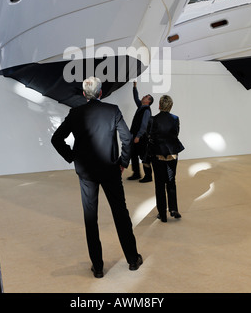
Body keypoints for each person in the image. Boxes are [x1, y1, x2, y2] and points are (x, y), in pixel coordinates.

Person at [51, 76, 142, 278]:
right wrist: (123, 163)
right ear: (101, 93)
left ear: (84, 94)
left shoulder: (75, 113)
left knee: (91, 219)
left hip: (86, 174)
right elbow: (127, 139)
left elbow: (56, 139)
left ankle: (98, 267)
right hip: (111, 170)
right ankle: (133, 259)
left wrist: (73, 157)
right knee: (121, 214)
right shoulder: (112, 111)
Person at [149, 95, 184, 223]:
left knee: (159, 184)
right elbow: (176, 134)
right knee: (171, 181)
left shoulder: (153, 119)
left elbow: (151, 137)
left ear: (159, 105)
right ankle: (173, 209)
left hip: (157, 155)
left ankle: (162, 214)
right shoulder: (175, 119)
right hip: (172, 154)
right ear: (170, 106)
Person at [127, 82, 153, 183]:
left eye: (146, 97)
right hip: (135, 136)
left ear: (148, 101)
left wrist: (138, 136)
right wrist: (134, 87)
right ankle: (136, 173)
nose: (143, 97)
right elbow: (136, 98)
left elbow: (144, 125)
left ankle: (148, 176)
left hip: (141, 138)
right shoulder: (141, 107)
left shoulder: (146, 111)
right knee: (133, 154)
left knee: (144, 157)